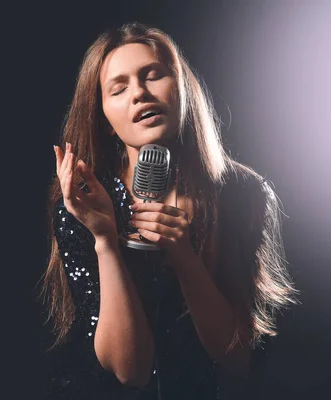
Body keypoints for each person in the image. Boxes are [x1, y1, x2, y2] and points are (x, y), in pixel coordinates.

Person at [40, 22, 298, 399]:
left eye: (153, 75)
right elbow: (130, 372)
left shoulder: (240, 194)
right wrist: (105, 241)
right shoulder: (84, 204)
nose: (139, 94)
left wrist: (184, 257)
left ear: (182, 90)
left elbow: (237, 358)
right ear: (106, 120)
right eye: (119, 87)